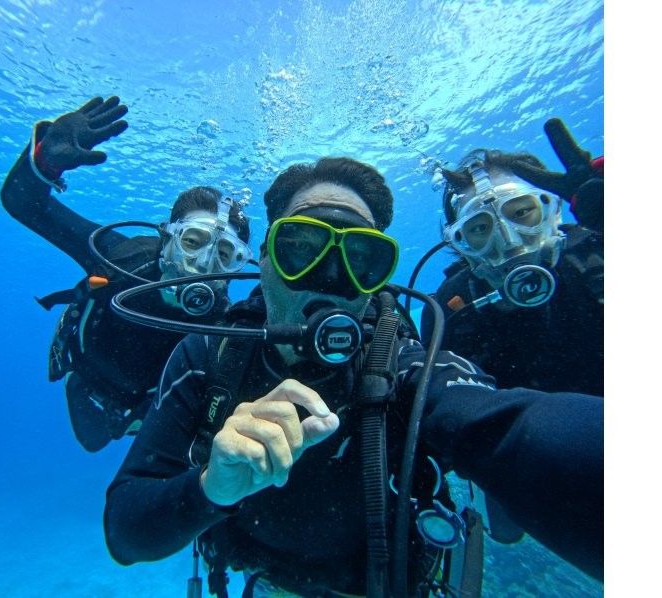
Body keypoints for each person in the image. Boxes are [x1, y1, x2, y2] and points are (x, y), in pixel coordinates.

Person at [103, 157, 603, 597]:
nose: (330, 278)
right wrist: (211, 487)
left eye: (361, 258)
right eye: (301, 247)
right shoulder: (211, 356)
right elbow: (124, 530)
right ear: (264, 260)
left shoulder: (404, 364)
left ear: (379, 278)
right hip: (259, 571)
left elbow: (508, 426)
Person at [0, 96, 253, 452]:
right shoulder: (122, 258)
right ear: (167, 239)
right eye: (193, 241)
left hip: (152, 408)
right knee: (93, 440)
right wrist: (45, 160)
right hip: (92, 381)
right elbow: (24, 204)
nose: (205, 265)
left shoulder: (228, 325)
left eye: (226, 255)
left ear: (237, 268)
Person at [420, 118, 603, 396]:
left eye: (520, 213)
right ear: (462, 245)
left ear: (553, 214)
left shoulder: (598, 255)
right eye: (480, 228)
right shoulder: (450, 312)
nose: (509, 241)